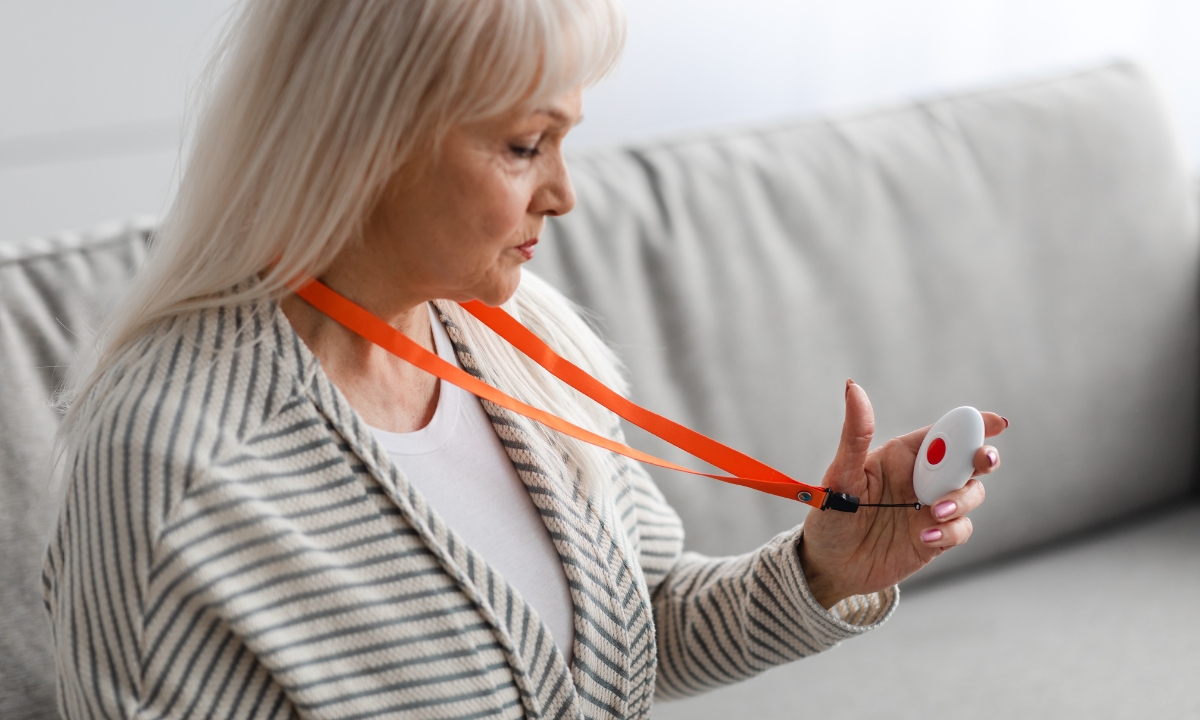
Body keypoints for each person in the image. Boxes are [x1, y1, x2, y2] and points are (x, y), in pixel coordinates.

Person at [43, 1, 1005, 718]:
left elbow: (647, 622)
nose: (564, 195)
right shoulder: (169, 463)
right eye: (524, 144)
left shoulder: (521, 340)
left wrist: (823, 568)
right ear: (364, 141)